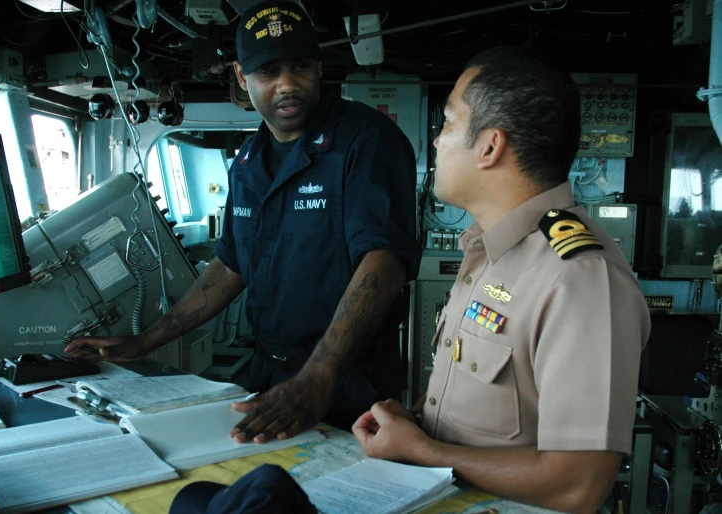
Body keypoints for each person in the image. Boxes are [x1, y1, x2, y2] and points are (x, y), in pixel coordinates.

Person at [66, 0, 421, 444]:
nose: (287, 85)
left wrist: (319, 375)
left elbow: (383, 264)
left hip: (347, 379)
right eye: (269, 73)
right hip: (269, 372)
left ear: (319, 67)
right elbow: (231, 265)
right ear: (241, 77)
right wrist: (145, 341)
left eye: (300, 67)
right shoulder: (249, 162)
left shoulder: (365, 141)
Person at [351, 46, 650, 514]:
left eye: (447, 121)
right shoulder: (488, 252)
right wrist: (417, 426)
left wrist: (422, 452)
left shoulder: (579, 278)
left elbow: (579, 485)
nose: (436, 141)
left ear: (490, 146)